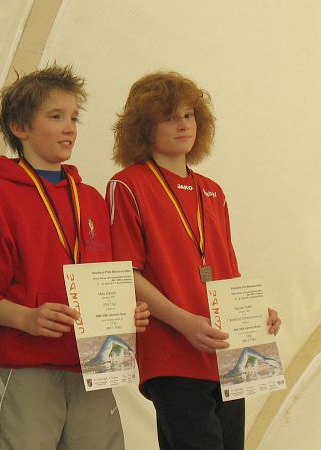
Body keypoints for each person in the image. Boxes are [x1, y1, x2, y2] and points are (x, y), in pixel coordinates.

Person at [0, 65, 150, 450]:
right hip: (27, 366)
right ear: (20, 127)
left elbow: (107, 280)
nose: (70, 128)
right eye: (55, 117)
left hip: (93, 366)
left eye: (73, 118)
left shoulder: (92, 199)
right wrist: (26, 318)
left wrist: (125, 311)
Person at [106, 71, 281, 450]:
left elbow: (227, 274)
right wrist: (185, 322)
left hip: (228, 353)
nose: (183, 124)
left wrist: (255, 313)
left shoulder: (212, 192)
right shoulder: (128, 185)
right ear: (142, 128)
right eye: (169, 117)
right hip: (172, 355)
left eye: (189, 114)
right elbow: (126, 273)